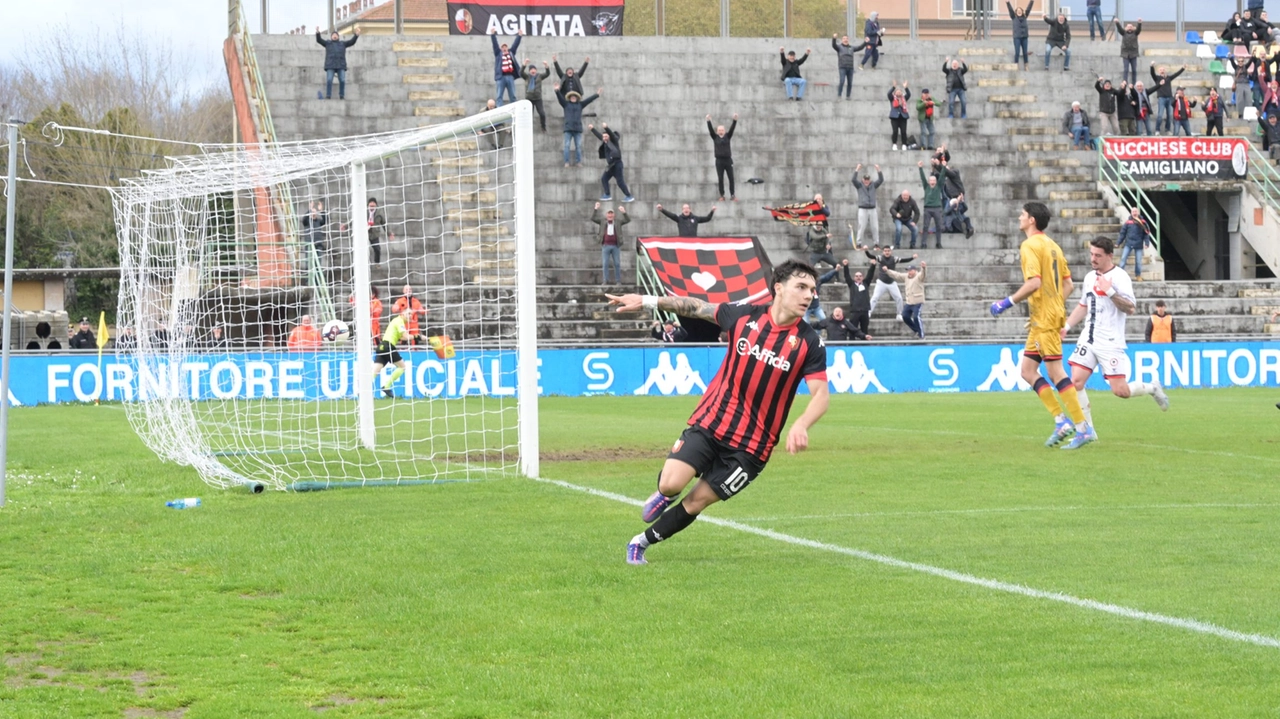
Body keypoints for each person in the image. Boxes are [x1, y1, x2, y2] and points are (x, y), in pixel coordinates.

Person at [609, 261, 830, 565]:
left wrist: (802, 423)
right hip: (713, 422)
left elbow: (821, 394)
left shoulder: (809, 343)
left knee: (696, 501)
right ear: (778, 288)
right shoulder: (743, 316)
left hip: (752, 448)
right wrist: (647, 301)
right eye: (801, 287)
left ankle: (639, 543)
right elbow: (696, 307)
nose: (809, 296)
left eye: (812, 290)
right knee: (672, 483)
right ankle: (663, 493)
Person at [989, 201, 1092, 448]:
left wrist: (1006, 302)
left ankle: (1082, 428)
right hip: (1043, 317)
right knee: (1027, 371)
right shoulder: (1053, 245)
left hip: (1044, 318)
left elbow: (1034, 282)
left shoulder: (1030, 245)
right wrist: (1055, 305)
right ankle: (1061, 420)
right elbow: (1068, 285)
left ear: (1032, 220)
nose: (1019, 218)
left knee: (1056, 373)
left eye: (1022, 214)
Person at [1062, 237, 1169, 443]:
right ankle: (1087, 430)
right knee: (1075, 382)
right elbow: (1084, 305)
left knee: (1121, 391)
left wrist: (1109, 291)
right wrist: (1066, 326)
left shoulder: (1119, 277)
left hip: (1110, 342)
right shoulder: (1089, 278)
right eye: (1092, 254)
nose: (1093, 259)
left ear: (1110, 256)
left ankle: (1152, 388)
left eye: (1098, 255)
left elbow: (1130, 307)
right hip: (1089, 338)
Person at [865, 244, 917, 318]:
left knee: (899, 298)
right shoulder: (880, 258)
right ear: (883, 252)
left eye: (888, 251)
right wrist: (866, 251)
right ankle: (868, 312)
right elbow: (871, 256)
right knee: (874, 298)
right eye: (885, 251)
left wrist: (912, 258)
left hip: (891, 282)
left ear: (891, 252)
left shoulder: (894, 259)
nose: (887, 252)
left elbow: (903, 260)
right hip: (881, 282)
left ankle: (899, 314)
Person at [554, 85, 599, 167]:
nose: (573, 98)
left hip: (577, 129)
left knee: (578, 146)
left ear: (577, 98)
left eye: (575, 97)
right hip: (568, 128)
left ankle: (578, 162)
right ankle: (566, 162)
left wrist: (597, 94)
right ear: (570, 98)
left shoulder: (580, 105)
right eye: (572, 97)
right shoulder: (566, 104)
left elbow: (589, 100)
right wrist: (557, 91)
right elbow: (560, 99)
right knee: (567, 146)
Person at [373, 307, 412, 398]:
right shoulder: (399, 321)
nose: (410, 316)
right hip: (388, 346)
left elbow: (401, 337)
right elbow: (405, 337)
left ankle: (362, 389)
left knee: (375, 370)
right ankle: (387, 386)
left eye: (411, 314)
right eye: (408, 313)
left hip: (382, 346)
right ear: (402, 314)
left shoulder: (396, 321)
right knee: (402, 367)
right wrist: (416, 336)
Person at [590, 123, 634, 203]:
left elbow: (611, 135)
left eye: (606, 137)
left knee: (620, 182)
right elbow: (599, 136)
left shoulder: (614, 141)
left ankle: (629, 196)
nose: (605, 138)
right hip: (611, 166)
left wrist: (606, 128)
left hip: (617, 164)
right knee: (604, 178)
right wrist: (592, 129)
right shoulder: (604, 141)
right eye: (604, 137)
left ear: (609, 137)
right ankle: (607, 194)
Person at [315, 26, 360, 100]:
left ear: (338, 37)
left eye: (336, 35)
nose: (334, 36)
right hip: (330, 65)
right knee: (329, 80)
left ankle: (341, 95)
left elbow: (351, 42)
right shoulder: (328, 43)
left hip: (341, 65)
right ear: (331, 36)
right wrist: (317, 32)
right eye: (333, 35)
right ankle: (328, 95)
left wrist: (356, 35)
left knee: (342, 80)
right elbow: (319, 40)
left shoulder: (342, 44)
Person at [591, 202, 630, 286]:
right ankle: (605, 280)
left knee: (617, 263)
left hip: (616, 246)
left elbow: (627, 220)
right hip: (605, 245)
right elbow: (593, 218)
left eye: (611, 214)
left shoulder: (618, 222)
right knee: (605, 264)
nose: (610, 216)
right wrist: (596, 209)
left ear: (614, 215)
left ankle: (618, 281)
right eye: (609, 214)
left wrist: (624, 212)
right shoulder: (602, 221)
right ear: (606, 215)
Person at [885, 262, 927, 339]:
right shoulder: (906, 277)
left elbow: (923, 274)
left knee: (916, 317)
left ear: (914, 270)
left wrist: (923, 268)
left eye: (910, 270)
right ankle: (916, 330)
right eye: (908, 270)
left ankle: (922, 335)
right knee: (905, 316)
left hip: (918, 302)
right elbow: (896, 275)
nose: (909, 272)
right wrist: (887, 271)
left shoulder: (918, 276)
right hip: (909, 302)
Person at [839, 258, 876, 338]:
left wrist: (873, 265)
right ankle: (852, 344)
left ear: (862, 277)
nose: (858, 277)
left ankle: (865, 345)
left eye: (860, 276)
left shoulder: (866, 283)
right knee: (852, 329)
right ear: (854, 277)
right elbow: (847, 276)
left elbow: (870, 274)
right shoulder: (852, 285)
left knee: (864, 329)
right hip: (855, 311)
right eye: (856, 276)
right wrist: (845, 266)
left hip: (865, 311)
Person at [707, 114, 738, 200]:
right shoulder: (715, 137)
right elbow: (710, 131)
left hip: (728, 160)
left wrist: (734, 120)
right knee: (720, 178)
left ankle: (732, 194)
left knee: (731, 178)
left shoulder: (728, 136)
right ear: (717, 131)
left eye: (722, 130)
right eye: (719, 130)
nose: (721, 131)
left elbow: (732, 129)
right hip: (719, 161)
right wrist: (708, 121)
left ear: (724, 131)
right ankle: (722, 195)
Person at [489, 29, 523, 106]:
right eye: (503, 47)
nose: (504, 48)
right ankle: (499, 110)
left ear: (507, 48)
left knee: (513, 96)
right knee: (499, 96)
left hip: (510, 77)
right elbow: (495, 44)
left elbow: (515, 44)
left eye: (505, 47)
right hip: (501, 77)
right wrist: (493, 34)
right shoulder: (498, 54)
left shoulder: (511, 53)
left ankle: (513, 109)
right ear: (501, 49)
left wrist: (519, 35)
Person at [1150, 64, 1187, 135]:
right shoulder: (1157, 78)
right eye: (1160, 70)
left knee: (1169, 115)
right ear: (1158, 71)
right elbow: (1152, 73)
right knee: (1160, 115)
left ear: (1165, 71)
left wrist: (1183, 68)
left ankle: (1168, 129)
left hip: (1169, 98)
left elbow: (1176, 74)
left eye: (1163, 70)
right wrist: (1151, 66)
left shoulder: (1168, 78)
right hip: (1161, 98)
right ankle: (1157, 130)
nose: (1162, 71)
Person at [853, 164, 884, 247]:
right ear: (863, 180)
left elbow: (881, 180)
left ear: (870, 180)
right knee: (861, 226)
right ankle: (859, 243)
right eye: (865, 179)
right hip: (863, 209)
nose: (866, 181)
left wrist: (878, 170)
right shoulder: (859, 185)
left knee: (875, 227)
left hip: (872, 209)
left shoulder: (873, 185)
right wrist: (857, 170)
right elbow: (853, 180)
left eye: (868, 179)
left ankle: (876, 243)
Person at [1117, 206, 1152, 280]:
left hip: (1139, 245)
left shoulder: (1143, 222)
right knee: (1123, 258)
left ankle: (1138, 275)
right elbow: (1122, 233)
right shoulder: (1127, 222)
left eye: (1136, 211)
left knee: (1138, 261)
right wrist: (1118, 243)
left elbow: (1146, 233)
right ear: (1131, 213)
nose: (1134, 213)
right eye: (1133, 211)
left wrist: (1147, 243)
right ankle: (1119, 275)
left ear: (1138, 212)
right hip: (1128, 244)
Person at [917, 162, 946, 249]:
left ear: (936, 182)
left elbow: (942, 177)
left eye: (934, 181)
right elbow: (922, 178)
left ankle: (938, 243)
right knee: (925, 226)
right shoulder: (926, 187)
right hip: (927, 209)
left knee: (939, 226)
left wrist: (944, 167)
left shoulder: (938, 186)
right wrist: (920, 168)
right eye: (931, 181)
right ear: (929, 182)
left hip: (937, 208)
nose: (932, 182)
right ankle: (923, 243)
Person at [831, 34, 869, 99]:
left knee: (850, 83)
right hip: (842, 67)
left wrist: (865, 42)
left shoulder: (851, 48)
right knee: (842, 81)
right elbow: (834, 45)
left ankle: (848, 96)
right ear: (842, 40)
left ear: (848, 40)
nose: (845, 40)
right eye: (844, 38)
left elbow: (859, 47)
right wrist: (834, 38)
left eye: (846, 38)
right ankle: (839, 95)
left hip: (850, 68)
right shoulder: (839, 47)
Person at [520, 59, 549, 131]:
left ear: (536, 70)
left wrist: (546, 66)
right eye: (531, 70)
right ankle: (528, 128)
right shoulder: (527, 77)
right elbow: (521, 72)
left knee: (542, 113)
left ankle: (543, 127)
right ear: (529, 71)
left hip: (538, 98)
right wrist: (524, 64)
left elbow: (547, 74)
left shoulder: (540, 76)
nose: (533, 71)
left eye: (534, 70)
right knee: (529, 115)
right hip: (529, 99)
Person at [1115, 18, 1142, 86]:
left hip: (1133, 54)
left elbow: (1138, 29)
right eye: (1128, 27)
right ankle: (1125, 81)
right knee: (1126, 69)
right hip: (1125, 54)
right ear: (1126, 28)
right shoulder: (1123, 33)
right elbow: (1120, 29)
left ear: (1133, 28)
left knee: (1134, 70)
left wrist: (1139, 23)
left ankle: (1134, 82)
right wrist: (1117, 23)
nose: (1129, 28)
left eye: (1131, 27)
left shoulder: (1135, 33)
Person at [1008, 0, 1034, 71]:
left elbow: (1028, 9)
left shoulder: (1025, 17)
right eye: (1017, 10)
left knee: (1025, 52)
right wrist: (1008, 3)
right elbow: (1010, 10)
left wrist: (1032, 1)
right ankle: (1016, 65)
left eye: (1020, 10)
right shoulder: (1014, 18)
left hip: (1024, 37)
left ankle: (1026, 65)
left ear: (1022, 12)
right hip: (1017, 37)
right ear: (1016, 12)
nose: (1019, 11)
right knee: (1017, 52)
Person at [888, 81, 912, 150]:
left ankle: (904, 144)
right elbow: (889, 93)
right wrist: (893, 87)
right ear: (895, 93)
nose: (898, 92)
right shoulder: (892, 98)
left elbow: (909, 94)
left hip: (903, 117)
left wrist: (906, 87)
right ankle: (894, 144)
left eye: (900, 91)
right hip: (894, 117)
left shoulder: (904, 98)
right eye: (897, 91)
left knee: (903, 131)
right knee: (895, 131)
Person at [365, 197, 388, 264]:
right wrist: (346, 226)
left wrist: (389, 233)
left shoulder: (379, 213)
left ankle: (377, 262)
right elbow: (355, 220)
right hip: (365, 233)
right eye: (370, 206)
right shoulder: (364, 212)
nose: (372, 208)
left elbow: (384, 223)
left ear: (376, 205)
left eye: (373, 206)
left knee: (377, 249)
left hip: (374, 234)